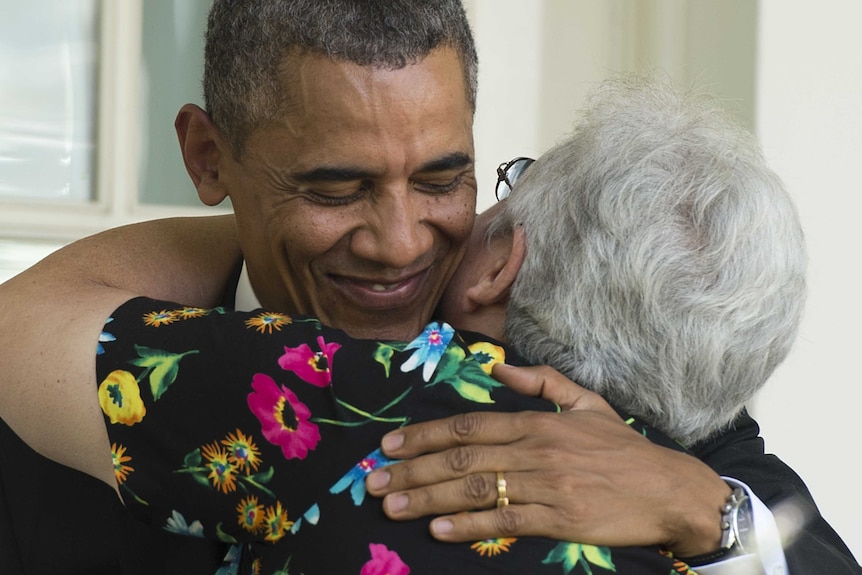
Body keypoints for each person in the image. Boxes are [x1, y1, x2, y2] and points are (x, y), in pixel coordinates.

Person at [0, 0, 857, 572]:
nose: (402, 243)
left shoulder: (674, 448)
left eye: (447, 180)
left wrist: (706, 505)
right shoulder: (37, 429)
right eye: (336, 188)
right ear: (208, 157)